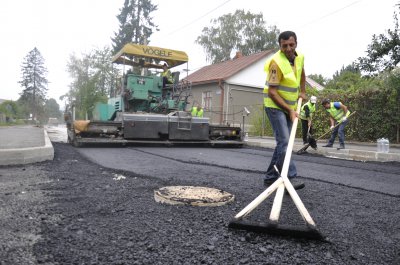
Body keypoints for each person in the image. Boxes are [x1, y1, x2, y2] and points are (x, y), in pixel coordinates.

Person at [262, 31, 306, 190]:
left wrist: (302, 91)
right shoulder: (276, 63)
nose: (288, 48)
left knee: (283, 143)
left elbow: (302, 75)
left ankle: (270, 177)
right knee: (285, 142)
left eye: (291, 45)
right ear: (280, 46)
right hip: (275, 106)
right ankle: (290, 177)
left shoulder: (299, 57)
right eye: (284, 45)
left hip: (289, 107)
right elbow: (272, 92)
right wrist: (290, 110)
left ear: (296, 44)